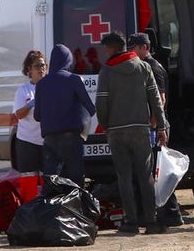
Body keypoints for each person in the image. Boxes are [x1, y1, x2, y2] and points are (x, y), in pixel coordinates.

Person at [96, 31, 169, 235]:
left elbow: (101, 103)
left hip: (116, 131)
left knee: (124, 177)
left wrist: (105, 125)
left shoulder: (107, 71)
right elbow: (156, 100)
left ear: (111, 48)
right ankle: (151, 221)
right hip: (140, 129)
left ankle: (130, 221)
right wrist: (161, 126)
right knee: (146, 176)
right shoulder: (143, 67)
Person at [128, 32, 184, 227]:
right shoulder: (143, 66)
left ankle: (172, 213)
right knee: (154, 172)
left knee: (159, 172)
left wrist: (154, 126)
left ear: (145, 48)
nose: (131, 52)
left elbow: (161, 98)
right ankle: (167, 212)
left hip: (157, 127)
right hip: (153, 126)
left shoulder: (153, 67)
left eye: (134, 48)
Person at [33, 43, 97, 187]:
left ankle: (51, 202)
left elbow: (37, 116)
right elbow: (91, 108)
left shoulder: (41, 84)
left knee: (51, 180)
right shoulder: (73, 80)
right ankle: (77, 201)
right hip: (71, 138)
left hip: (49, 139)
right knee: (76, 179)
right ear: (68, 60)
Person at [11, 50, 47, 173]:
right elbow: (19, 115)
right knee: (29, 179)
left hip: (48, 142)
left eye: (43, 65)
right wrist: (31, 104)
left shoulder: (51, 87)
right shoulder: (23, 90)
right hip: (27, 142)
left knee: (48, 180)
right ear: (29, 69)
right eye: (37, 66)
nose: (41, 69)